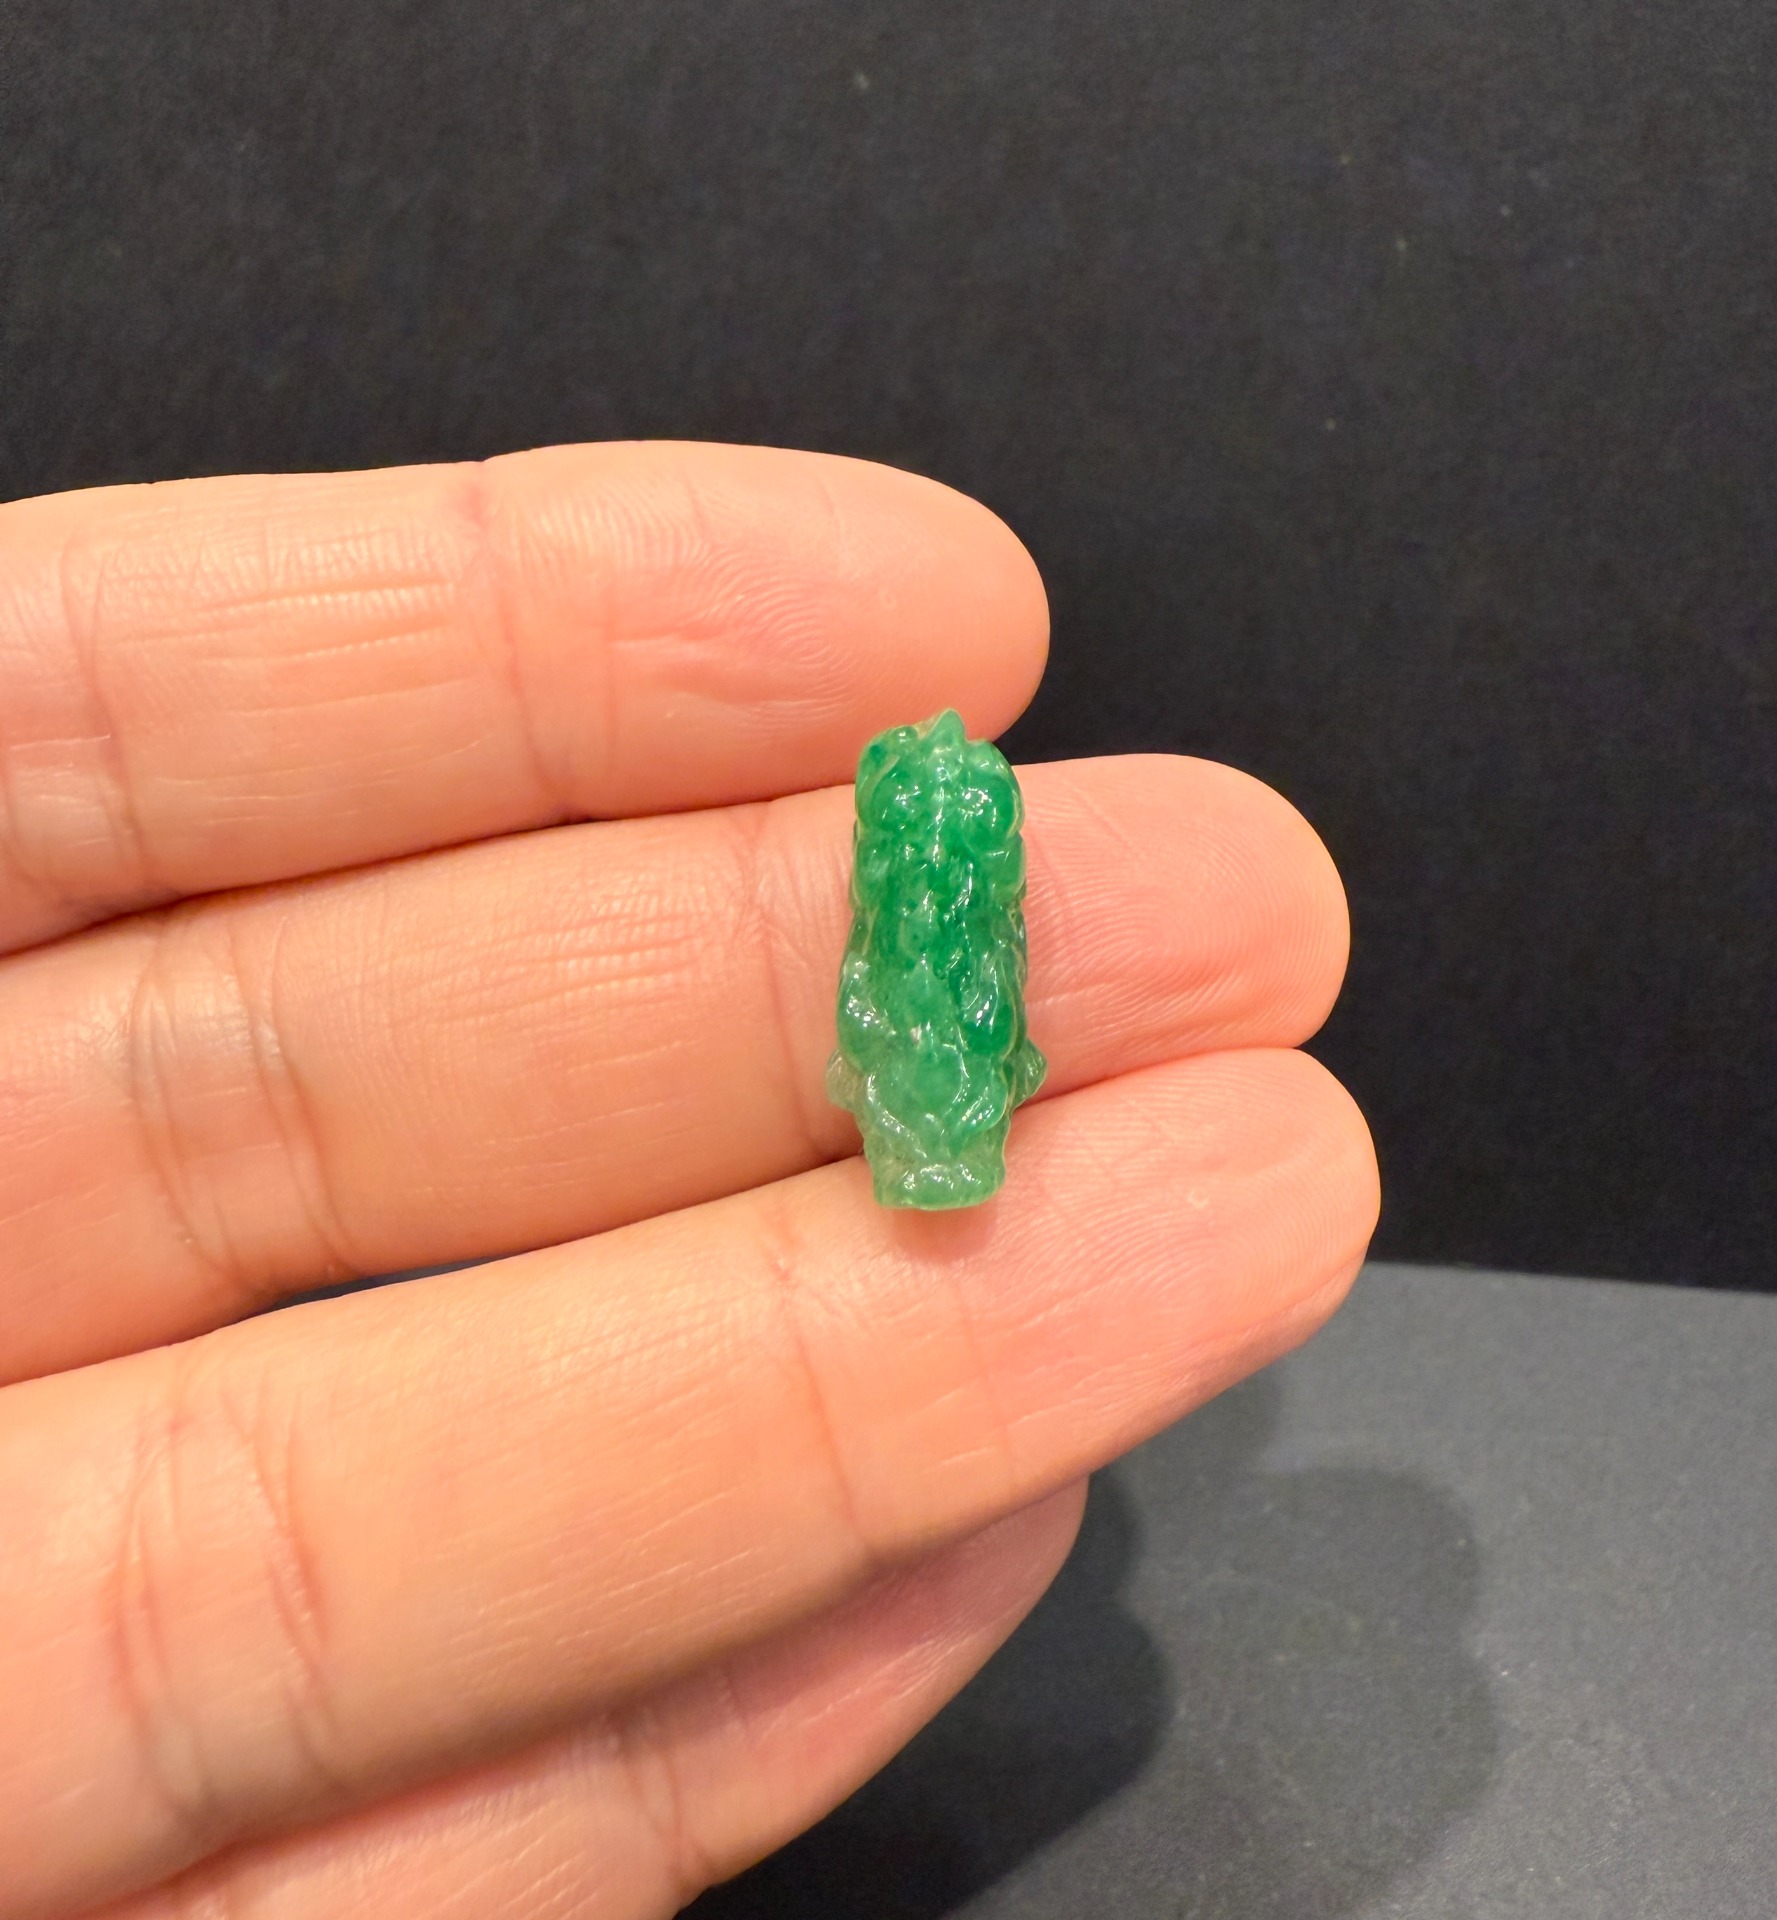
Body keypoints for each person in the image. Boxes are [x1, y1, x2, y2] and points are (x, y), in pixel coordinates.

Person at [0, 441, 1378, 1917]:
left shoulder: (951, 860)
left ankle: (939, 1115)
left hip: (941, 1093)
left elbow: (946, 991)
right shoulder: (931, 851)